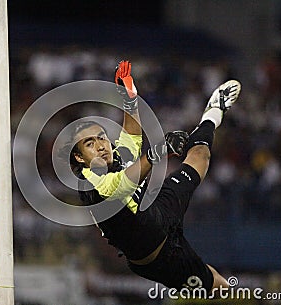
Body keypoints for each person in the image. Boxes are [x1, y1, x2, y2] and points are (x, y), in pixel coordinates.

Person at [60, 60, 241, 294]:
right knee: (216, 287)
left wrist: (130, 98)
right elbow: (120, 185)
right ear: (80, 158)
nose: (101, 145)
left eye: (101, 137)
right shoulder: (88, 183)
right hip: (158, 258)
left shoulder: (115, 156)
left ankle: (213, 112)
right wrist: (158, 151)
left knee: (200, 157)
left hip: (159, 210)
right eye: (89, 143)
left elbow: (132, 135)